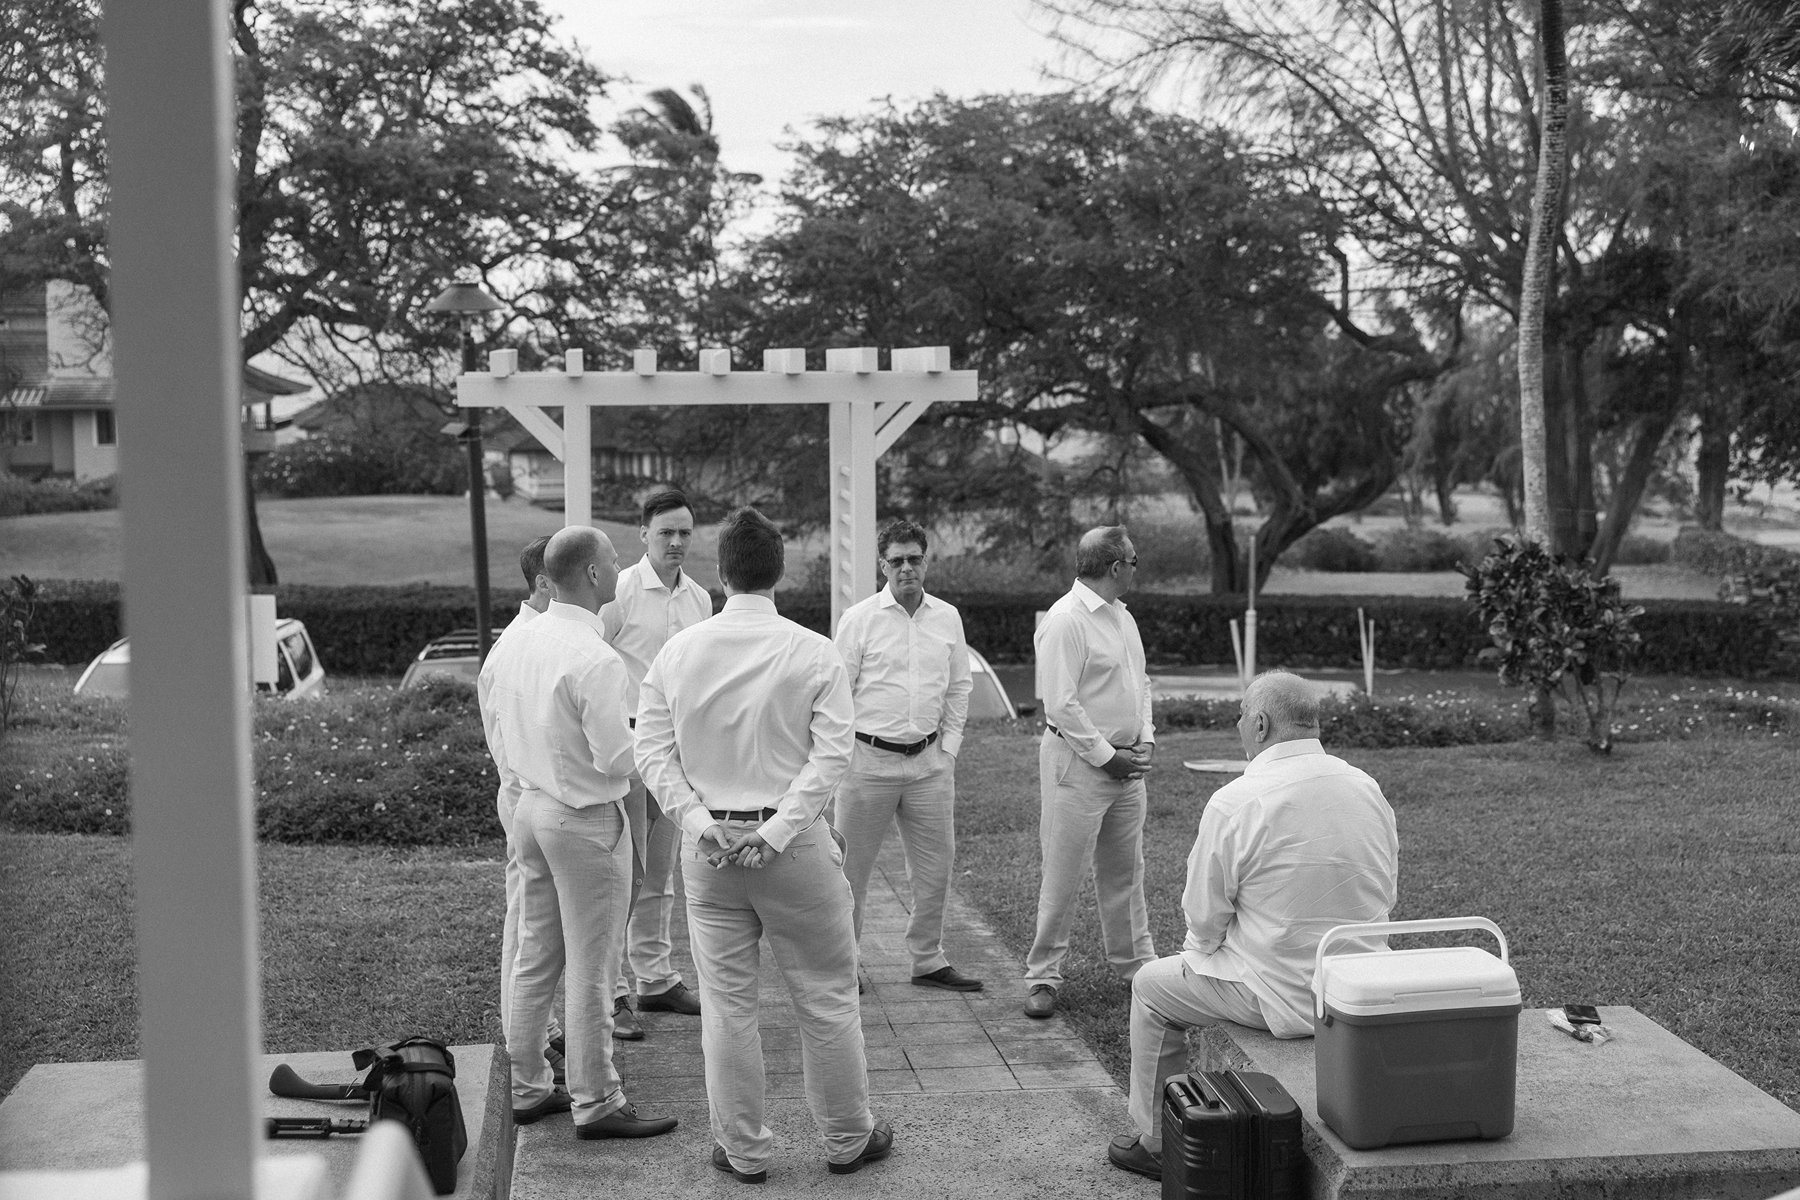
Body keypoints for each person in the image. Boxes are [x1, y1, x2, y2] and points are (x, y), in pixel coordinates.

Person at [636, 506, 891, 1183]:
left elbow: (651, 752)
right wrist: (776, 832)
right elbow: (833, 755)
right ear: (779, 573)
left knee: (726, 1008)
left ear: (720, 574)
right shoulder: (813, 651)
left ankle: (744, 1150)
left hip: (711, 852)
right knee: (828, 997)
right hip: (795, 850)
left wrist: (696, 822)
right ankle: (846, 1140)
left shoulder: (677, 653)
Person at [1106, 671, 1399, 1181]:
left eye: (1241, 717)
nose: (1239, 726)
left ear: (1260, 724)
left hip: (1279, 994)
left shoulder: (1238, 799)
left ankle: (1156, 1143)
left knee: (1152, 987)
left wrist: (1204, 953)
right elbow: (1385, 886)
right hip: (1359, 986)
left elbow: (1203, 919)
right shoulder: (1366, 785)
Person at [486, 524, 677, 1139]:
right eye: (615, 563)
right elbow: (617, 760)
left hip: (532, 810)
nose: (621, 573)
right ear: (593, 576)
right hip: (585, 820)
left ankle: (525, 1085)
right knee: (594, 966)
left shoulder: (521, 639)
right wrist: (658, 742)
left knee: (537, 955)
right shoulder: (593, 657)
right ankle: (596, 1101)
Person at [833, 517, 980, 992]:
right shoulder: (859, 620)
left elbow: (960, 686)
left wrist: (949, 750)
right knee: (849, 871)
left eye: (914, 559)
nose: (906, 568)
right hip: (868, 762)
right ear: (883, 565)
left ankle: (927, 959)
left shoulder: (947, 617)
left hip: (929, 764)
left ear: (926, 561)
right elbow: (836, 695)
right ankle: (845, 964)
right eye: (896, 561)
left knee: (936, 866)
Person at [1024, 525, 1156, 1019]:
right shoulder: (1066, 620)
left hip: (1128, 764)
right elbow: (1060, 703)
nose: (1136, 568)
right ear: (1116, 567)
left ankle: (1136, 966)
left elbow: (1140, 683)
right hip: (1076, 767)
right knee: (1063, 873)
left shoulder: (1123, 617)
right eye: (1134, 560)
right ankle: (1042, 976)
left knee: (1126, 871)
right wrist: (1107, 756)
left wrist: (1144, 740)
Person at [600, 488, 713, 1038]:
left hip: (674, 754)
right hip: (624, 751)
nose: (675, 542)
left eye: (684, 532)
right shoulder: (618, 591)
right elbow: (590, 663)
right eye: (665, 531)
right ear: (642, 533)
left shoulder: (699, 600)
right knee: (623, 874)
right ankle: (610, 993)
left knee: (663, 873)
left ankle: (656, 978)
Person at [475, 535, 561, 1059]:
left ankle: (541, 1028)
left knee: (540, 924)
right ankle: (523, 1039)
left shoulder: (544, 637)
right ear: (546, 584)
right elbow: (510, 753)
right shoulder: (515, 649)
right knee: (528, 923)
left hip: (541, 798)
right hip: (530, 797)